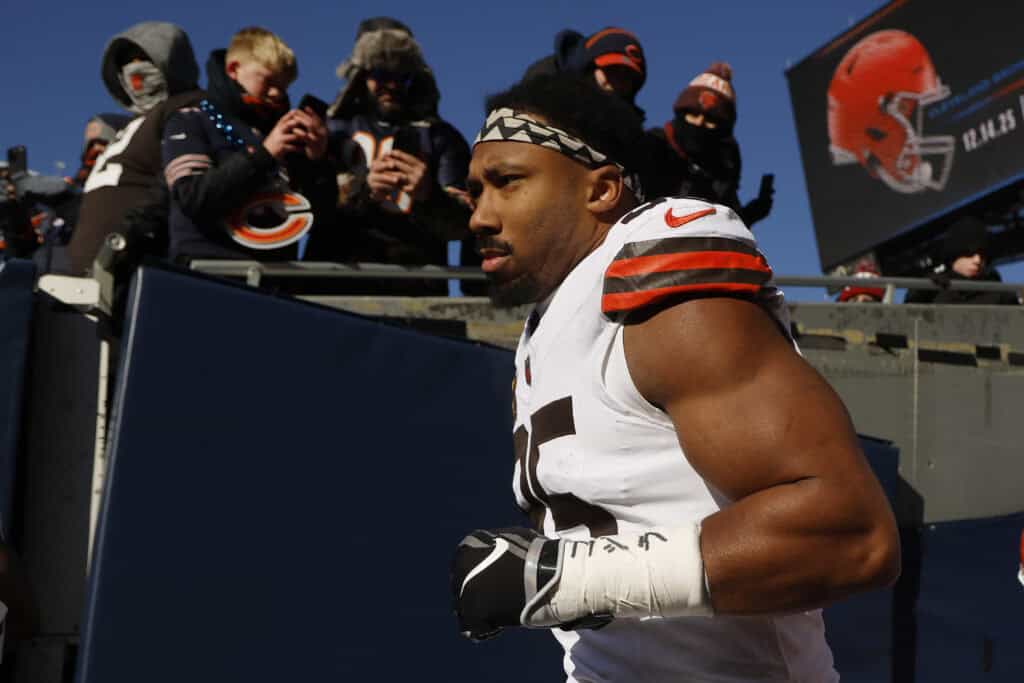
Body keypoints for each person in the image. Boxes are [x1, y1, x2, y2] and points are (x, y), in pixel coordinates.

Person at [451, 73, 900, 682]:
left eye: (507, 182)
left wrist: (572, 577)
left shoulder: (655, 277)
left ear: (602, 190)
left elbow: (850, 533)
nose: (480, 215)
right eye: (476, 190)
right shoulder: (543, 331)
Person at [311, 17, 470, 295]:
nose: (392, 84)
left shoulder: (441, 136)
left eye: (402, 75)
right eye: (381, 74)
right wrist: (361, 188)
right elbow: (306, 207)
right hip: (336, 286)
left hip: (418, 292)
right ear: (362, 74)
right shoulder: (330, 130)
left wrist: (428, 194)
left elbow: (465, 226)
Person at [162, 27, 336, 263]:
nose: (276, 93)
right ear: (234, 69)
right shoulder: (191, 119)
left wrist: (318, 161)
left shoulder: (285, 135)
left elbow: (320, 220)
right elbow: (193, 198)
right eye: (268, 80)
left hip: (275, 277)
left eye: (283, 86)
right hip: (206, 271)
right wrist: (264, 155)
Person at [68, 21, 203, 275]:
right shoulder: (127, 128)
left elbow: (178, 180)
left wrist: (132, 237)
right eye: (127, 62)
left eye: (145, 58)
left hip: (135, 269)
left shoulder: (186, 108)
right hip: (81, 278)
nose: (135, 70)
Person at [644, 62, 774, 227]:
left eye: (710, 120)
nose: (699, 123)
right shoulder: (652, 146)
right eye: (693, 114)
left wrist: (751, 214)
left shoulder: (723, 167)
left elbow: (723, 225)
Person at [905, 216, 1020, 305]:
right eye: (969, 254)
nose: (977, 260)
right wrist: (923, 288)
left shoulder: (999, 292)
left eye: (983, 255)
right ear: (954, 256)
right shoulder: (931, 289)